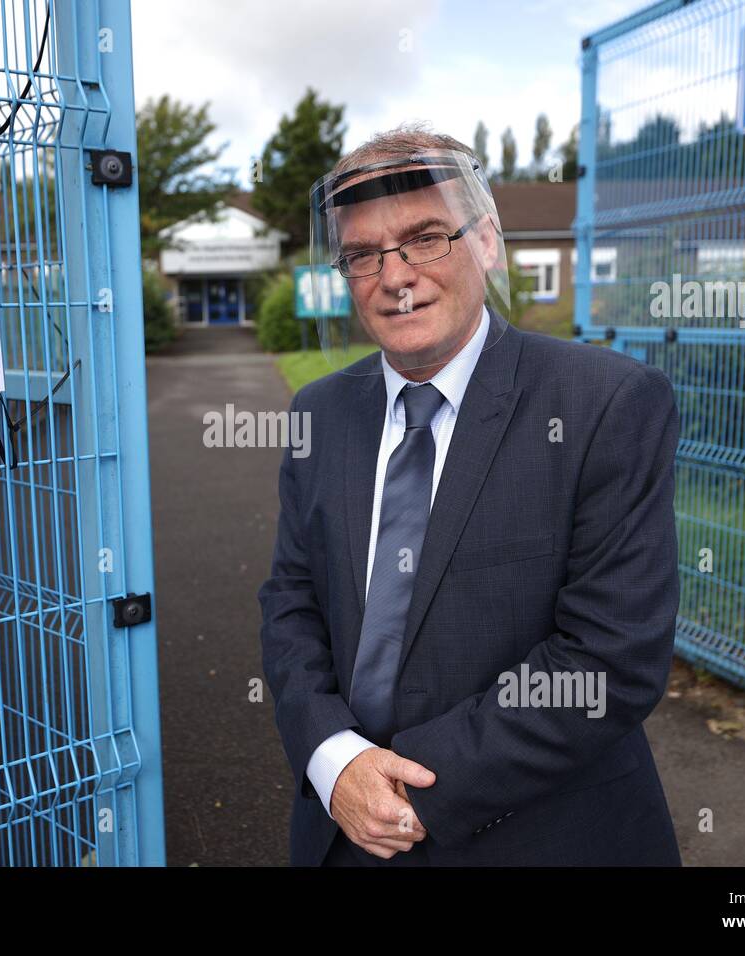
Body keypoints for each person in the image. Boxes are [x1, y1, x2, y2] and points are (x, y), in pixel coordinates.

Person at [257, 124, 682, 866]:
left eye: (426, 238)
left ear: (486, 241)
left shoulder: (605, 404)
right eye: (363, 254)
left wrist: (414, 788)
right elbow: (292, 600)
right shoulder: (318, 413)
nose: (395, 276)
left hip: (538, 836)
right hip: (344, 827)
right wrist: (333, 760)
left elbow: (608, 659)